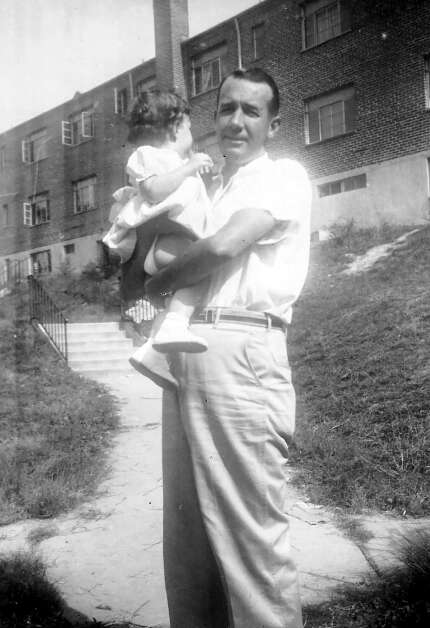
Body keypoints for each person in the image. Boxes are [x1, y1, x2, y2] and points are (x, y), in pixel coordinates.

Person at [144, 67, 312, 628]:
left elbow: (225, 245)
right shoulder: (213, 188)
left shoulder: (283, 175)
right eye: (226, 109)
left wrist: (156, 283)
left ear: (274, 125)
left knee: (248, 533)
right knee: (189, 535)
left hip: (243, 347)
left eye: (251, 111)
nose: (236, 121)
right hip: (188, 351)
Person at [102, 90, 214, 386]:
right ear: (176, 127)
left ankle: (151, 350)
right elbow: (152, 190)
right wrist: (189, 167)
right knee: (207, 266)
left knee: (169, 302)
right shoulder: (149, 155)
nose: (191, 133)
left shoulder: (175, 162)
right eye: (189, 127)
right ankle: (175, 325)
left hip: (167, 241)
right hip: (166, 238)